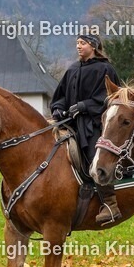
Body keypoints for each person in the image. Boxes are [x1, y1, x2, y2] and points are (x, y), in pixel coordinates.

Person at [50, 33, 123, 225]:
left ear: (93, 46)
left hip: (95, 124)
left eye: (82, 43)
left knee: (95, 156)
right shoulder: (72, 69)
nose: (78, 46)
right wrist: (58, 108)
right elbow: (61, 95)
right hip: (70, 122)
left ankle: (110, 203)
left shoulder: (105, 69)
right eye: (77, 43)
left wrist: (84, 106)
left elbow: (111, 97)